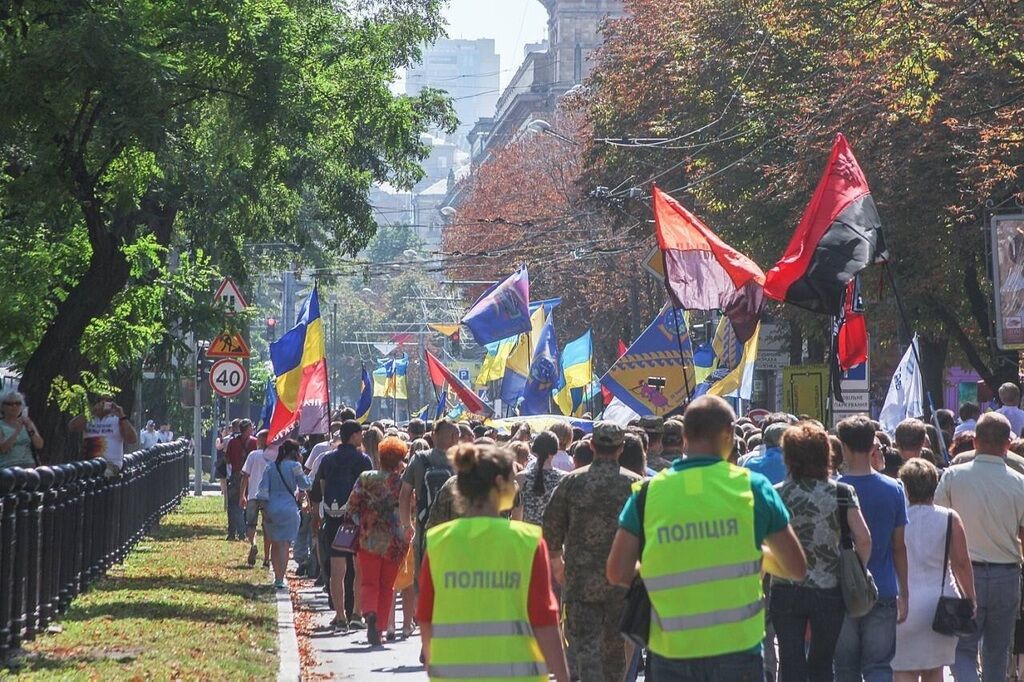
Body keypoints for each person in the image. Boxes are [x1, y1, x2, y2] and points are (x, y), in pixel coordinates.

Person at [607, 396, 807, 680]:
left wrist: (657, 567)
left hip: (670, 650)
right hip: (738, 649)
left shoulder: (647, 493)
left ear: (685, 436)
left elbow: (616, 572)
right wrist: (757, 556)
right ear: (730, 433)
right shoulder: (753, 487)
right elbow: (796, 568)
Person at [417, 443, 569, 682]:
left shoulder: (439, 542)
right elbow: (544, 619)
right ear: (499, 483)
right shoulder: (527, 542)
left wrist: (435, 665)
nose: (516, 486)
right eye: (513, 479)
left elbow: (426, 615)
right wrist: (562, 676)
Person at [771, 422, 872, 682]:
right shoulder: (841, 492)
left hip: (785, 588)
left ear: (789, 456)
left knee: (790, 661)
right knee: (823, 662)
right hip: (829, 588)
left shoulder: (776, 494)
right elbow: (863, 539)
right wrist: (855, 568)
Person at [543, 422, 642, 682]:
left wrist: (558, 566)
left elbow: (551, 529)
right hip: (622, 584)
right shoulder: (636, 485)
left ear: (591, 446)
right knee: (615, 654)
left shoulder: (572, 482)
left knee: (581, 651)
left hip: (580, 582)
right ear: (621, 449)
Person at [935, 412, 1024, 682]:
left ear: (975, 441)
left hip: (962, 575)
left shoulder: (952, 476)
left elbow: (938, 521)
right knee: (998, 650)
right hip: (1006, 576)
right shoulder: (1020, 483)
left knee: (962, 648)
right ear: (1008, 444)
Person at [835, 416, 910, 682]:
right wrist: (905, 592)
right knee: (879, 667)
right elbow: (899, 546)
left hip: (843, 589)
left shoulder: (835, 491)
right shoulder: (895, 489)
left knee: (845, 669)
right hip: (885, 588)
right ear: (873, 447)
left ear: (842, 446)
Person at [892, 459, 975, 682]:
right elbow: (961, 563)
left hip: (903, 603)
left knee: (902, 669)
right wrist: (970, 599)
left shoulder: (897, 518)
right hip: (942, 606)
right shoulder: (949, 518)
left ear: (905, 486)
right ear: (935, 484)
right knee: (935, 670)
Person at [345, 436, 412, 645]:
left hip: (368, 539)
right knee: (387, 586)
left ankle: (369, 613)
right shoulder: (401, 483)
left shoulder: (366, 477)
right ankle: (380, 628)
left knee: (369, 581)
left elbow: (352, 505)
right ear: (400, 461)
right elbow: (412, 507)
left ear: (380, 457)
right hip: (395, 542)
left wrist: (362, 521)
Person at [315, 420, 373, 630]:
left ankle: (339, 615)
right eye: (360, 434)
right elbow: (369, 489)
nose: (362, 437)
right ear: (354, 435)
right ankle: (357, 613)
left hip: (334, 518)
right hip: (358, 520)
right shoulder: (364, 460)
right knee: (359, 570)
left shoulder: (328, 459)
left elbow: (322, 486)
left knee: (337, 570)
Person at [399, 419, 459, 584]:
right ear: (455, 436)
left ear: (433, 435)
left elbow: (404, 494)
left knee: (423, 579)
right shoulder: (462, 461)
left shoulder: (419, 459)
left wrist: (406, 524)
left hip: (424, 527)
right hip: (455, 532)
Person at [254, 439, 311, 588]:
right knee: (285, 544)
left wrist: (264, 510)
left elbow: (262, 490)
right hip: (289, 509)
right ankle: (281, 578)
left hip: (271, 508)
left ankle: (276, 576)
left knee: (275, 543)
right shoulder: (296, 466)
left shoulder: (270, 467)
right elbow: (305, 484)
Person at [69, 395, 137, 477]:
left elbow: (132, 439)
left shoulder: (117, 419)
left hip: (110, 464)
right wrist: (90, 412)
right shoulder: (89, 418)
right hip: (89, 464)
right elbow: (72, 427)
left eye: (109, 400)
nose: (104, 403)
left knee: (103, 474)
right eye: (101, 400)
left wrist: (122, 416)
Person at [240, 430, 276, 569]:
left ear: (259, 441)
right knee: (267, 527)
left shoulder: (253, 455)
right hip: (268, 497)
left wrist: (242, 495)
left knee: (251, 524)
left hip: (253, 495)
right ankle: (267, 559)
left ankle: (253, 544)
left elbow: (245, 476)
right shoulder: (274, 456)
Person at [516, 431, 565, 526]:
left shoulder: (521, 478)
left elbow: (516, 515)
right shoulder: (564, 479)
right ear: (555, 451)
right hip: (553, 537)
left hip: (528, 536)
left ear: (534, 450)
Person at [224, 420, 257, 541]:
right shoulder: (255, 442)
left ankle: (232, 532)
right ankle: (244, 531)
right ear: (248, 429)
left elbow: (227, 459)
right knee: (247, 503)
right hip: (249, 477)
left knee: (233, 505)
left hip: (235, 475)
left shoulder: (233, 442)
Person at [0, 390, 42, 468]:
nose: (14, 406)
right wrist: (17, 431)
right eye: (10, 404)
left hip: (29, 466)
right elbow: (3, 449)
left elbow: (39, 445)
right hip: (8, 468)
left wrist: (30, 428)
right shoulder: (1, 425)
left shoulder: (27, 423)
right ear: (2, 407)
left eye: (18, 403)